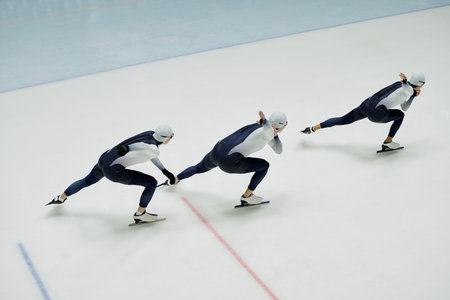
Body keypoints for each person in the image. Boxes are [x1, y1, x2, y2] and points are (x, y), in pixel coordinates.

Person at [48, 125, 177, 223]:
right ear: (165, 138)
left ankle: (61, 197)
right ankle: (140, 214)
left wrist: (165, 171)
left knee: (87, 180)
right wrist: (128, 149)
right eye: (171, 136)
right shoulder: (153, 149)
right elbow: (141, 148)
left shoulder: (149, 133)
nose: (172, 138)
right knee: (151, 183)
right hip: (114, 171)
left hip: (104, 159)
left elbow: (148, 151)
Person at [175, 111, 287, 205]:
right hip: (229, 161)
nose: (285, 127)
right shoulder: (269, 132)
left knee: (198, 168)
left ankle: (175, 179)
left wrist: (265, 123)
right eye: (285, 124)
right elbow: (278, 148)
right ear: (277, 125)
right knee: (264, 166)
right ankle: (247, 197)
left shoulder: (257, 125)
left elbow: (275, 145)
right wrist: (268, 126)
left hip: (217, 150)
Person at [301, 72, 425, 150]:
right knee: (400, 115)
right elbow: (405, 107)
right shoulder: (408, 91)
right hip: (376, 112)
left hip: (367, 104)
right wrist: (413, 96)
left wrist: (404, 82)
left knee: (343, 119)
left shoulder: (399, 85)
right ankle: (388, 142)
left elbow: (401, 95)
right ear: (420, 85)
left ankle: (312, 128)